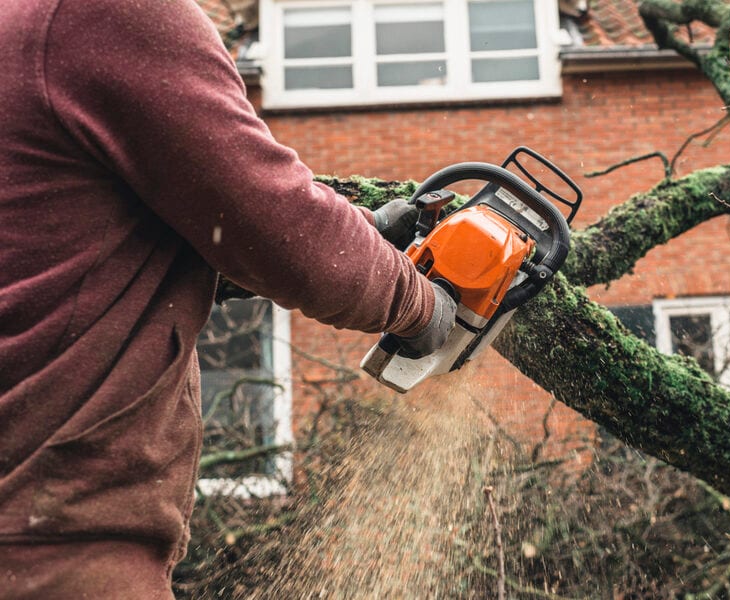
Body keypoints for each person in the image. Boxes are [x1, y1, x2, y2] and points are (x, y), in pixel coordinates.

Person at [0, 0, 456, 596]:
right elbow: (268, 223)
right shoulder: (105, 13)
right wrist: (420, 305)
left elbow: (76, 245)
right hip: (52, 548)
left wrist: (360, 228)